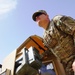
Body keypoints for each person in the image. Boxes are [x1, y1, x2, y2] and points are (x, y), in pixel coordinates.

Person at [32, 10, 75, 75]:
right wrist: (37, 57)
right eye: (35, 18)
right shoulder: (45, 37)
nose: (36, 18)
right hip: (68, 66)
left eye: (38, 15)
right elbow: (51, 51)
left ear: (47, 16)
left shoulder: (56, 21)